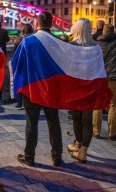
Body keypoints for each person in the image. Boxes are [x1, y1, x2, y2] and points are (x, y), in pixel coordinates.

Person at [13, 12, 63, 167]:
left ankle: (29, 156)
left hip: (32, 87)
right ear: (52, 23)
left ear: (38, 24)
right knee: (53, 121)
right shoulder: (59, 41)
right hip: (52, 87)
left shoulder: (28, 42)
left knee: (31, 123)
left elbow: (17, 63)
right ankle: (56, 157)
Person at [67, 18, 99, 163]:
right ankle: (83, 152)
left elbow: (67, 66)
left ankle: (78, 144)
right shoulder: (96, 47)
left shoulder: (72, 45)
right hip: (91, 86)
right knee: (87, 120)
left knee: (76, 117)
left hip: (75, 86)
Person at [93, 24, 116, 141]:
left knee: (97, 105)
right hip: (113, 77)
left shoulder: (97, 44)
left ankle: (96, 132)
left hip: (100, 77)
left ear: (103, 32)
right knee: (113, 105)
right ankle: (112, 133)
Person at [13, 23, 33, 109]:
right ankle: (29, 102)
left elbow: (14, 52)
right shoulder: (33, 39)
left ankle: (18, 103)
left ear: (23, 30)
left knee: (19, 82)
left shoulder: (19, 39)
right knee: (30, 83)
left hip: (21, 63)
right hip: (31, 63)